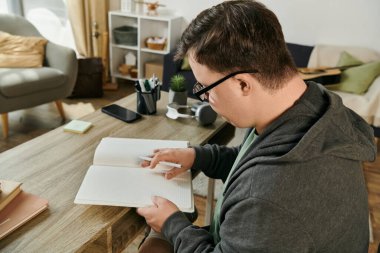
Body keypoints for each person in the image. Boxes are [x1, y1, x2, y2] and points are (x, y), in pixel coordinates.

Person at [136, 0, 376, 252]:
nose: (204, 98)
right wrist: (197, 156)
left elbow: (261, 184)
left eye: (205, 89)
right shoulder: (311, 107)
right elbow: (251, 158)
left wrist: (173, 225)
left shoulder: (269, 197)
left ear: (242, 84)